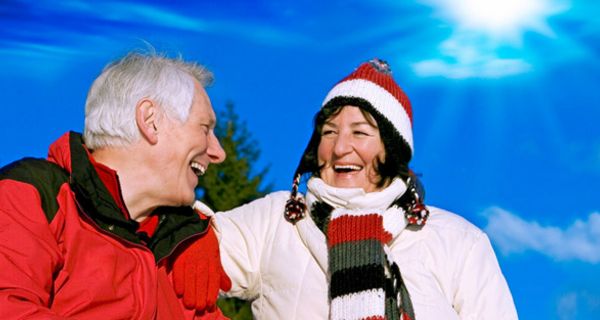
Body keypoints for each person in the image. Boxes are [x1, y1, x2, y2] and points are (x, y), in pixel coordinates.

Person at [175, 59, 518, 319]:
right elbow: (181, 244)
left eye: (360, 132)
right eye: (328, 132)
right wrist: (191, 236)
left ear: (391, 149)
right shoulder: (277, 220)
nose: (340, 148)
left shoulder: (457, 241)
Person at [0, 51, 231, 319]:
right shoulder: (31, 196)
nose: (217, 152)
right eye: (205, 129)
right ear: (150, 121)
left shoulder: (176, 243)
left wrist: (195, 230)